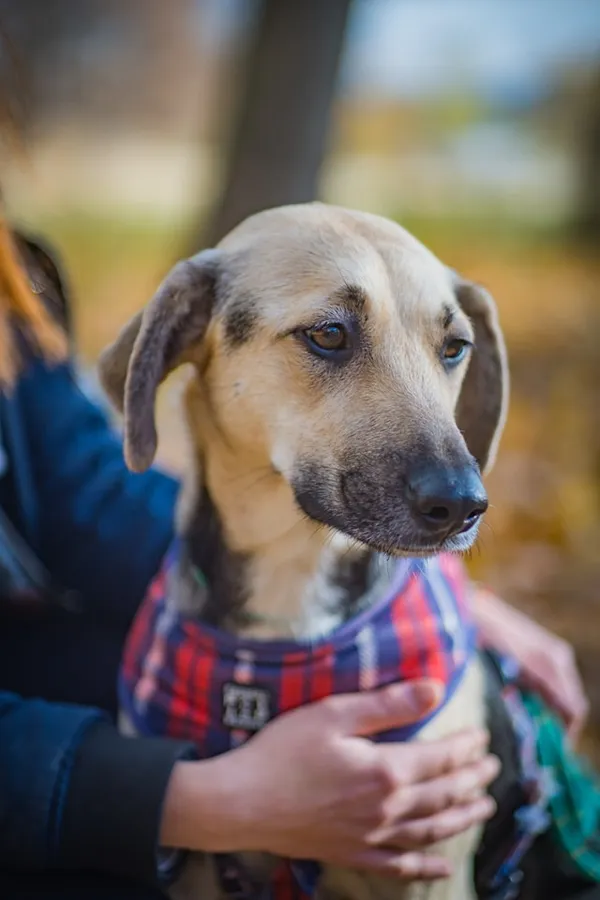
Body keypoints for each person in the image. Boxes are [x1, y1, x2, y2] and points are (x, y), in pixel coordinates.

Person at [0, 220, 502, 899]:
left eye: (449, 350)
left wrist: (476, 602)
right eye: (329, 337)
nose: (458, 486)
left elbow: (76, 489)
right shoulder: (162, 670)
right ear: (186, 333)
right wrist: (197, 801)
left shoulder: (12, 267)